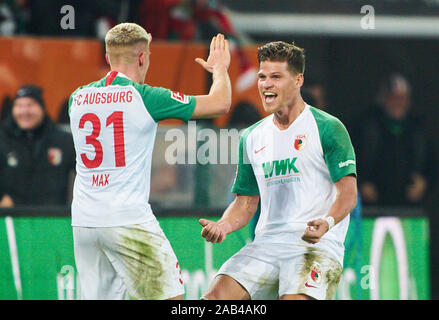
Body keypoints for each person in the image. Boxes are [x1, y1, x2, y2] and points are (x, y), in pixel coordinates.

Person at [68, 22, 231, 300]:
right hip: (127, 218)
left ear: (108, 57)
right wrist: (220, 70)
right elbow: (220, 103)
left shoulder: (77, 98)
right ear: (143, 57)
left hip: (84, 221)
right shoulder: (145, 97)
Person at [199, 41, 357, 300]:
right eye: (262, 77)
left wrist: (327, 222)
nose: (266, 84)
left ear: (298, 80)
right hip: (267, 244)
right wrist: (224, 225)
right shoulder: (251, 136)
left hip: (316, 246)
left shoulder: (328, 127)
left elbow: (348, 195)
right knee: (214, 299)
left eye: (276, 77)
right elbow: (246, 203)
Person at [355, 73, 429, 206]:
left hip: (410, 208)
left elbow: (431, 165)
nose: (398, 103)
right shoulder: (366, 127)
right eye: (393, 97)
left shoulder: (418, 130)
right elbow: (348, 161)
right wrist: (361, 183)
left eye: (403, 98)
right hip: (372, 206)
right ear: (383, 99)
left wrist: (424, 182)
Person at [0, 85, 75, 207]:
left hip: (54, 218)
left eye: (30, 105)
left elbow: (83, 173)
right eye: (19, 106)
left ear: (41, 108)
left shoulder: (62, 141)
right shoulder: (3, 140)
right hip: (12, 219)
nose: (25, 111)